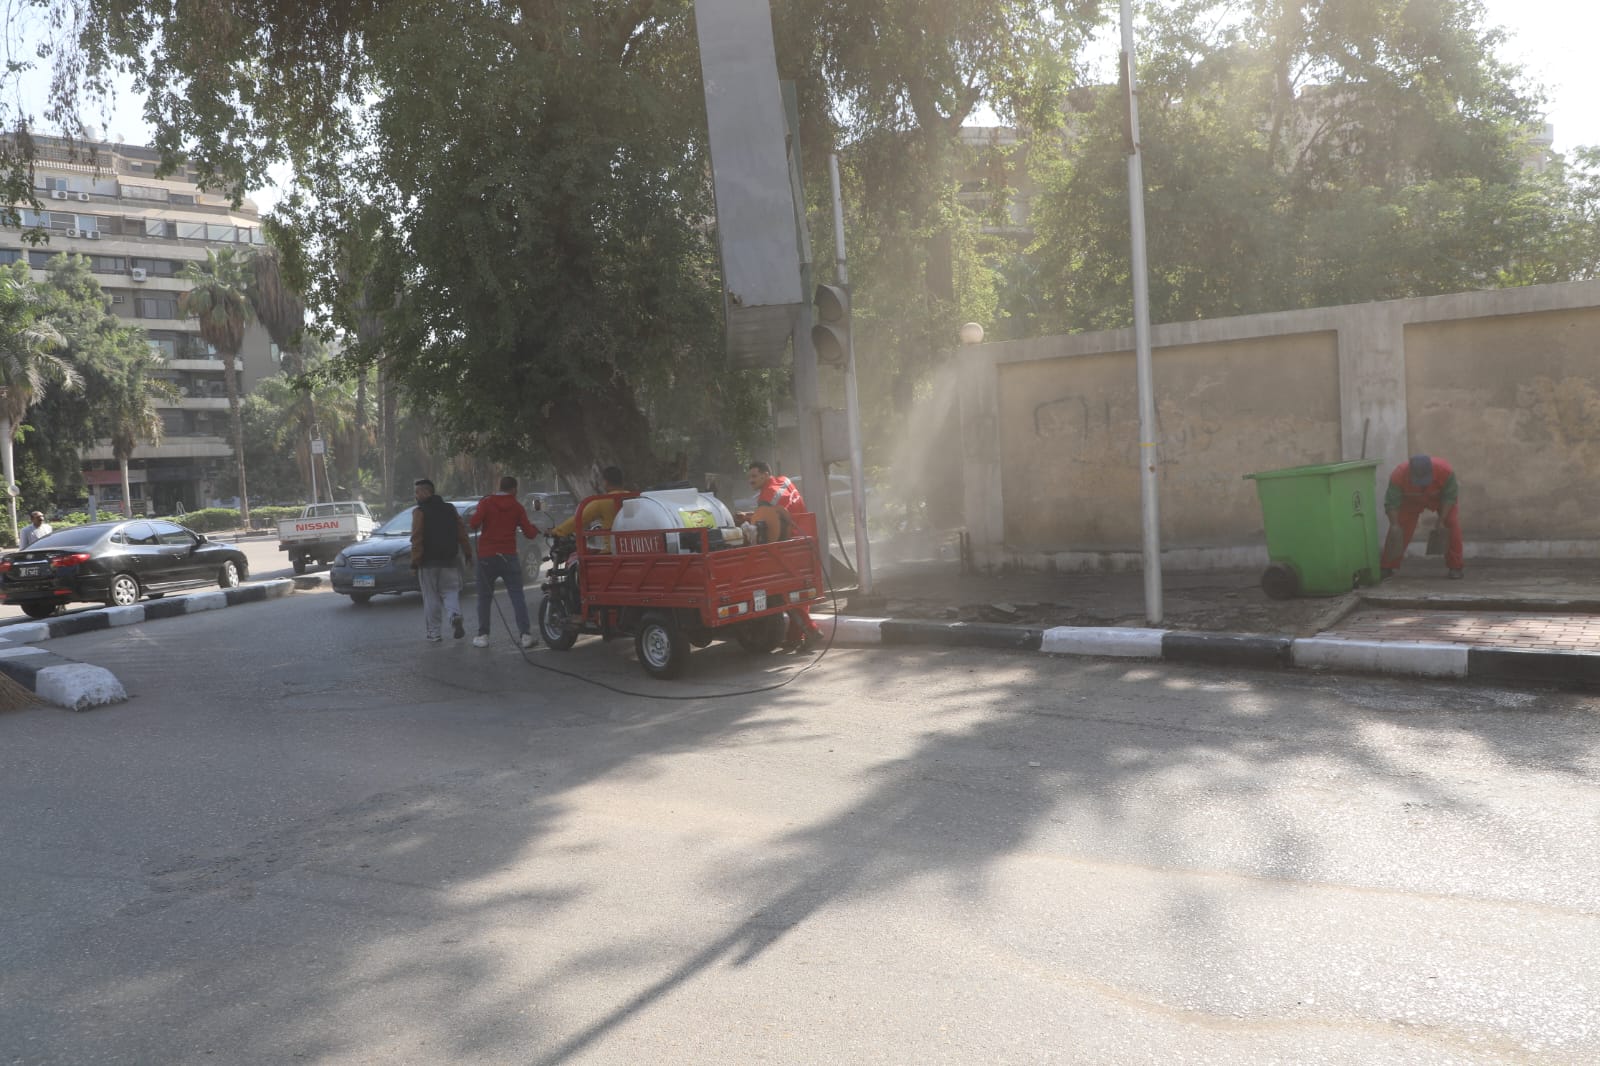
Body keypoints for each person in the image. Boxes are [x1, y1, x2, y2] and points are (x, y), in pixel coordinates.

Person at [745, 461, 822, 653]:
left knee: (783, 591)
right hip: (804, 539)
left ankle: (811, 630)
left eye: (754, 476)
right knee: (797, 591)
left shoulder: (766, 496)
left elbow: (765, 527)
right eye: (749, 477)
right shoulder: (784, 481)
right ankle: (795, 638)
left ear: (765, 475)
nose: (750, 481)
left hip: (787, 545)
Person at [469, 475, 541, 648]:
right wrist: (536, 529)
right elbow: (529, 533)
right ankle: (525, 635)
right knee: (517, 596)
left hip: (487, 556)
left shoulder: (486, 503)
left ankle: (483, 636)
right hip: (508, 556)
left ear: (499, 486)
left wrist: (479, 513)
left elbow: (474, 524)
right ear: (514, 489)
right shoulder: (517, 507)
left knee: (484, 597)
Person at [409, 479, 473, 643]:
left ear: (426, 492)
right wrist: (468, 554)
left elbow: (417, 538)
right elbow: (462, 533)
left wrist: (415, 562)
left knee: (431, 597)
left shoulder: (419, 512)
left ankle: (434, 633)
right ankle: (454, 615)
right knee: (450, 592)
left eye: (417, 492)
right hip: (450, 561)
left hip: (428, 563)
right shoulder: (450, 509)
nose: (415, 496)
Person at [1381, 454, 1463, 579]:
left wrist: (1441, 520)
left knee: (1451, 523)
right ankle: (1387, 566)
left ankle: (1456, 567)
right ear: (1410, 472)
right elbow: (1392, 503)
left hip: (1439, 498)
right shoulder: (1399, 475)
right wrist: (1394, 524)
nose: (1422, 484)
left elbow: (1450, 497)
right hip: (1411, 500)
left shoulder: (1445, 471)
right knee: (1399, 528)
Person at [552, 466, 627, 540]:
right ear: (622, 482)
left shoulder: (603, 501)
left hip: (613, 546)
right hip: (632, 544)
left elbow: (580, 519)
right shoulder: (631, 497)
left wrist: (557, 531)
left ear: (605, 482)